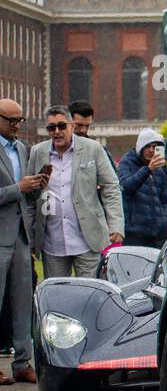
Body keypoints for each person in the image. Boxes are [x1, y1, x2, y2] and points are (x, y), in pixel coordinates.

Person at [27, 105, 123, 278]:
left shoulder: (93, 149)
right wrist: (31, 236)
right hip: (52, 241)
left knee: (89, 295)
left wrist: (115, 224)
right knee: (57, 296)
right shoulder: (37, 152)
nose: (56, 131)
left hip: (88, 239)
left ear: (72, 125)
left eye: (62, 126)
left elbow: (111, 187)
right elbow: (30, 197)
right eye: (51, 127)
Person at [0, 99, 39, 384]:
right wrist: (18, 188)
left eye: (20, 120)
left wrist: (35, 188)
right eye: (11, 120)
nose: (16, 126)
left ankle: (23, 362)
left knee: (23, 302)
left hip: (21, 236)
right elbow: (14, 192)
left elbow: (25, 196)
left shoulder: (22, 149)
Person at [116, 129, 167, 250]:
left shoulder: (160, 170)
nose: (151, 150)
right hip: (134, 235)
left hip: (156, 235)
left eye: (155, 147)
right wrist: (148, 169)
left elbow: (164, 200)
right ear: (140, 147)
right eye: (147, 146)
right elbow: (126, 188)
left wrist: (164, 219)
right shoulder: (127, 162)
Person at [69, 99, 112, 165]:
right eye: (79, 125)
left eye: (87, 126)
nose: (83, 130)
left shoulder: (98, 150)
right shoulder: (52, 149)